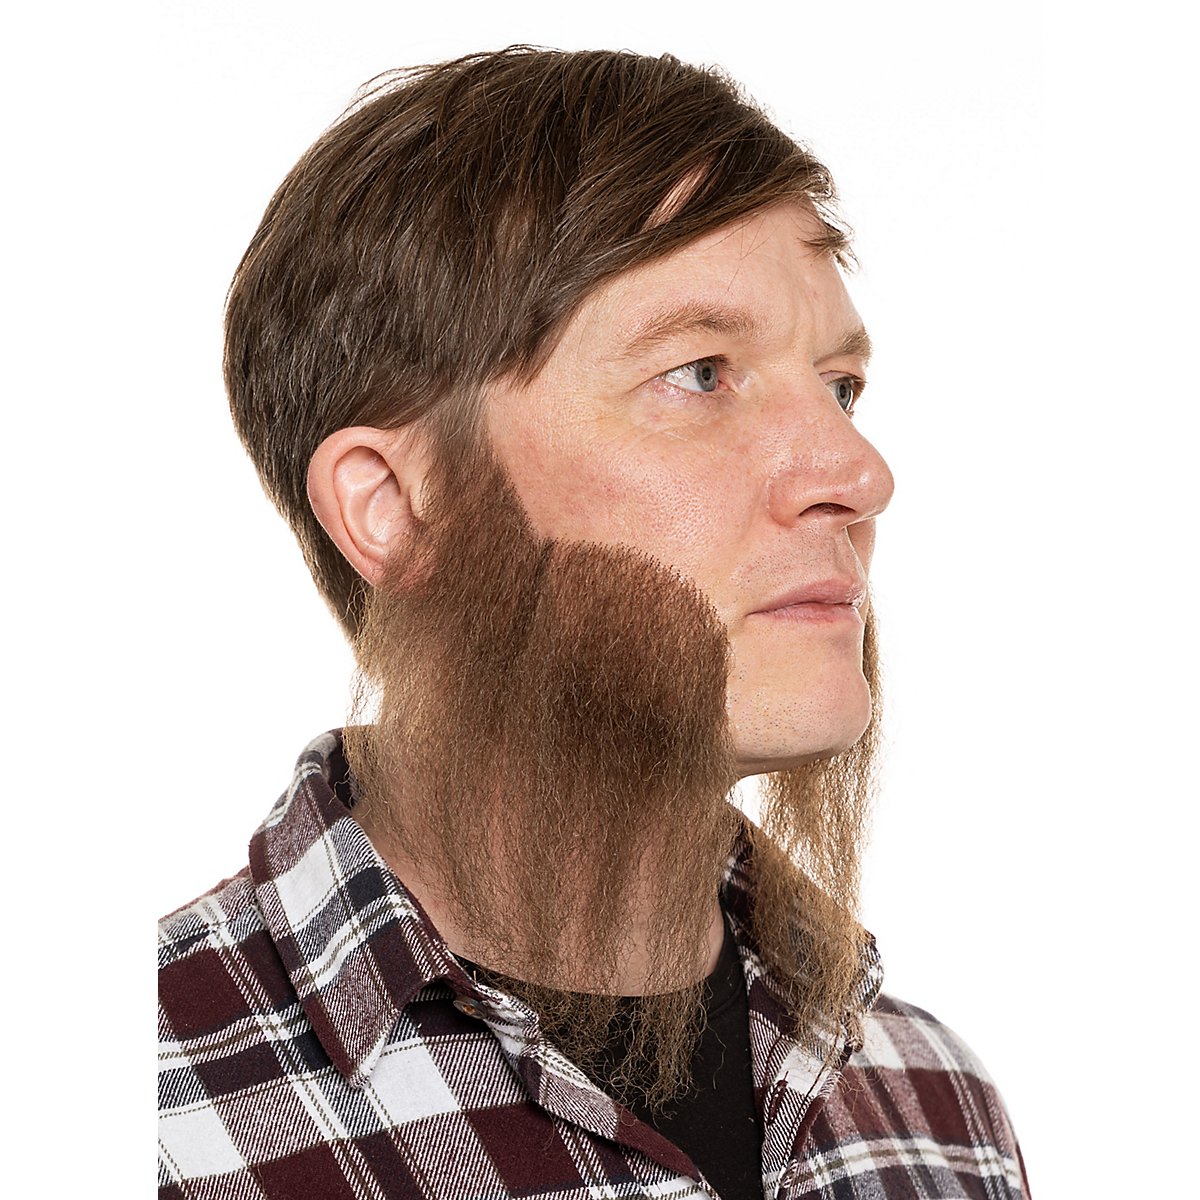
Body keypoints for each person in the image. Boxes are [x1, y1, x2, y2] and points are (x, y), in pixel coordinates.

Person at [157, 47, 1029, 1199]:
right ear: (397, 508)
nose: (859, 474)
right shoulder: (150, 1112)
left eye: (841, 386)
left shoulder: (930, 1099)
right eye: (701, 373)